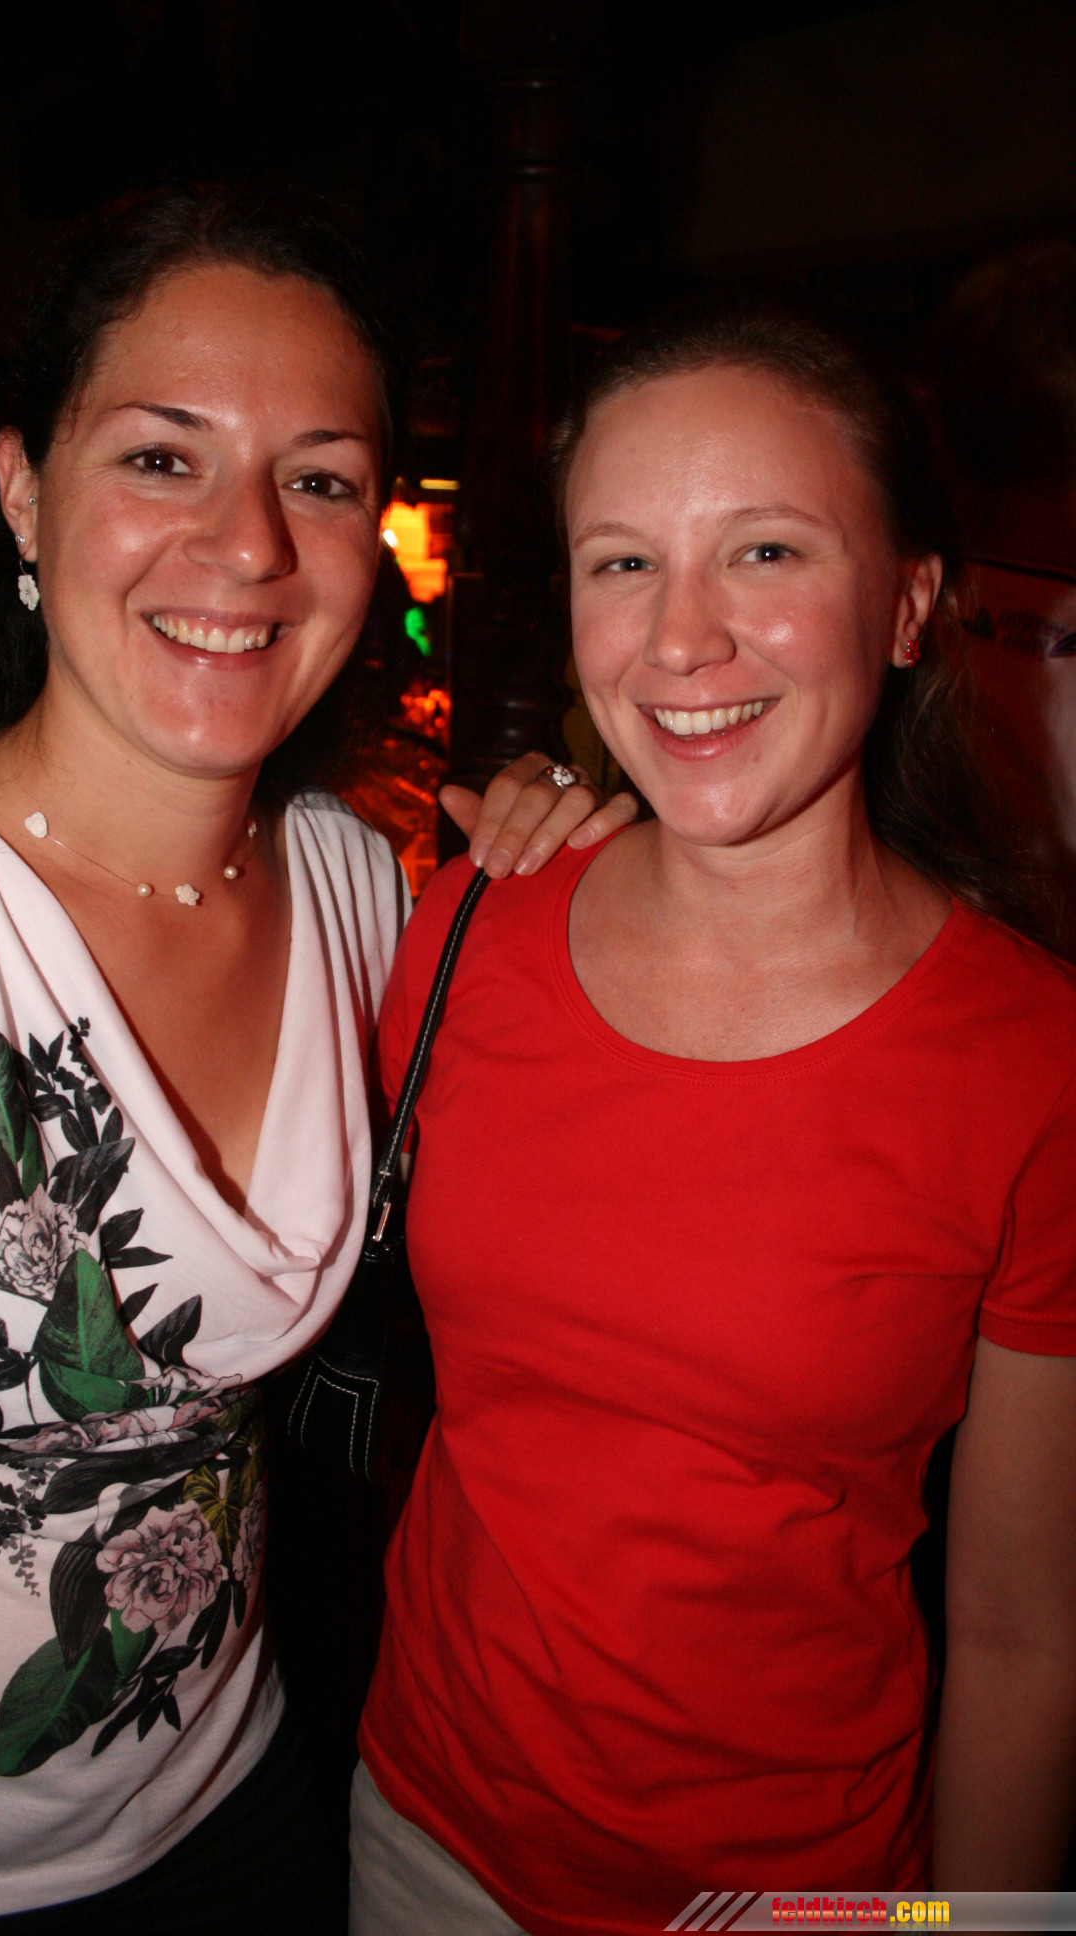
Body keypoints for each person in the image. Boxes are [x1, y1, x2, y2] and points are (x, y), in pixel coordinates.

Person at [0, 186, 634, 1936]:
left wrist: (592, 865)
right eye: (164, 458)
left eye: (318, 479)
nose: (249, 545)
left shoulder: (356, 886)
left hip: (250, 1800)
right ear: (24, 492)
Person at [351, 305, 1076, 1935]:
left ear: (909, 604)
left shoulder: (1036, 1064)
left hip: (785, 1895)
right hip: (419, 1830)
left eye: (764, 551)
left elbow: (1027, 1630)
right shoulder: (468, 929)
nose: (681, 641)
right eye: (624, 563)